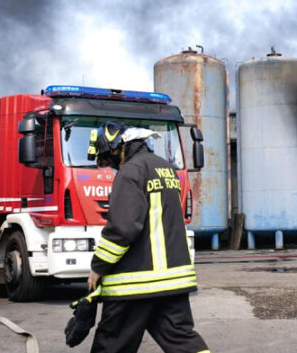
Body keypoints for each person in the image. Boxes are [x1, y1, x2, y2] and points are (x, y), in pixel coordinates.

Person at [86, 121, 209, 353]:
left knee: (111, 346)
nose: (111, 166)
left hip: (134, 284)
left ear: (119, 147)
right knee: (183, 342)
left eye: (108, 158)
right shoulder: (165, 168)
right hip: (172, 282)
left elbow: (123, 228)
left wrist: (98, 267)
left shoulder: (130, 171)